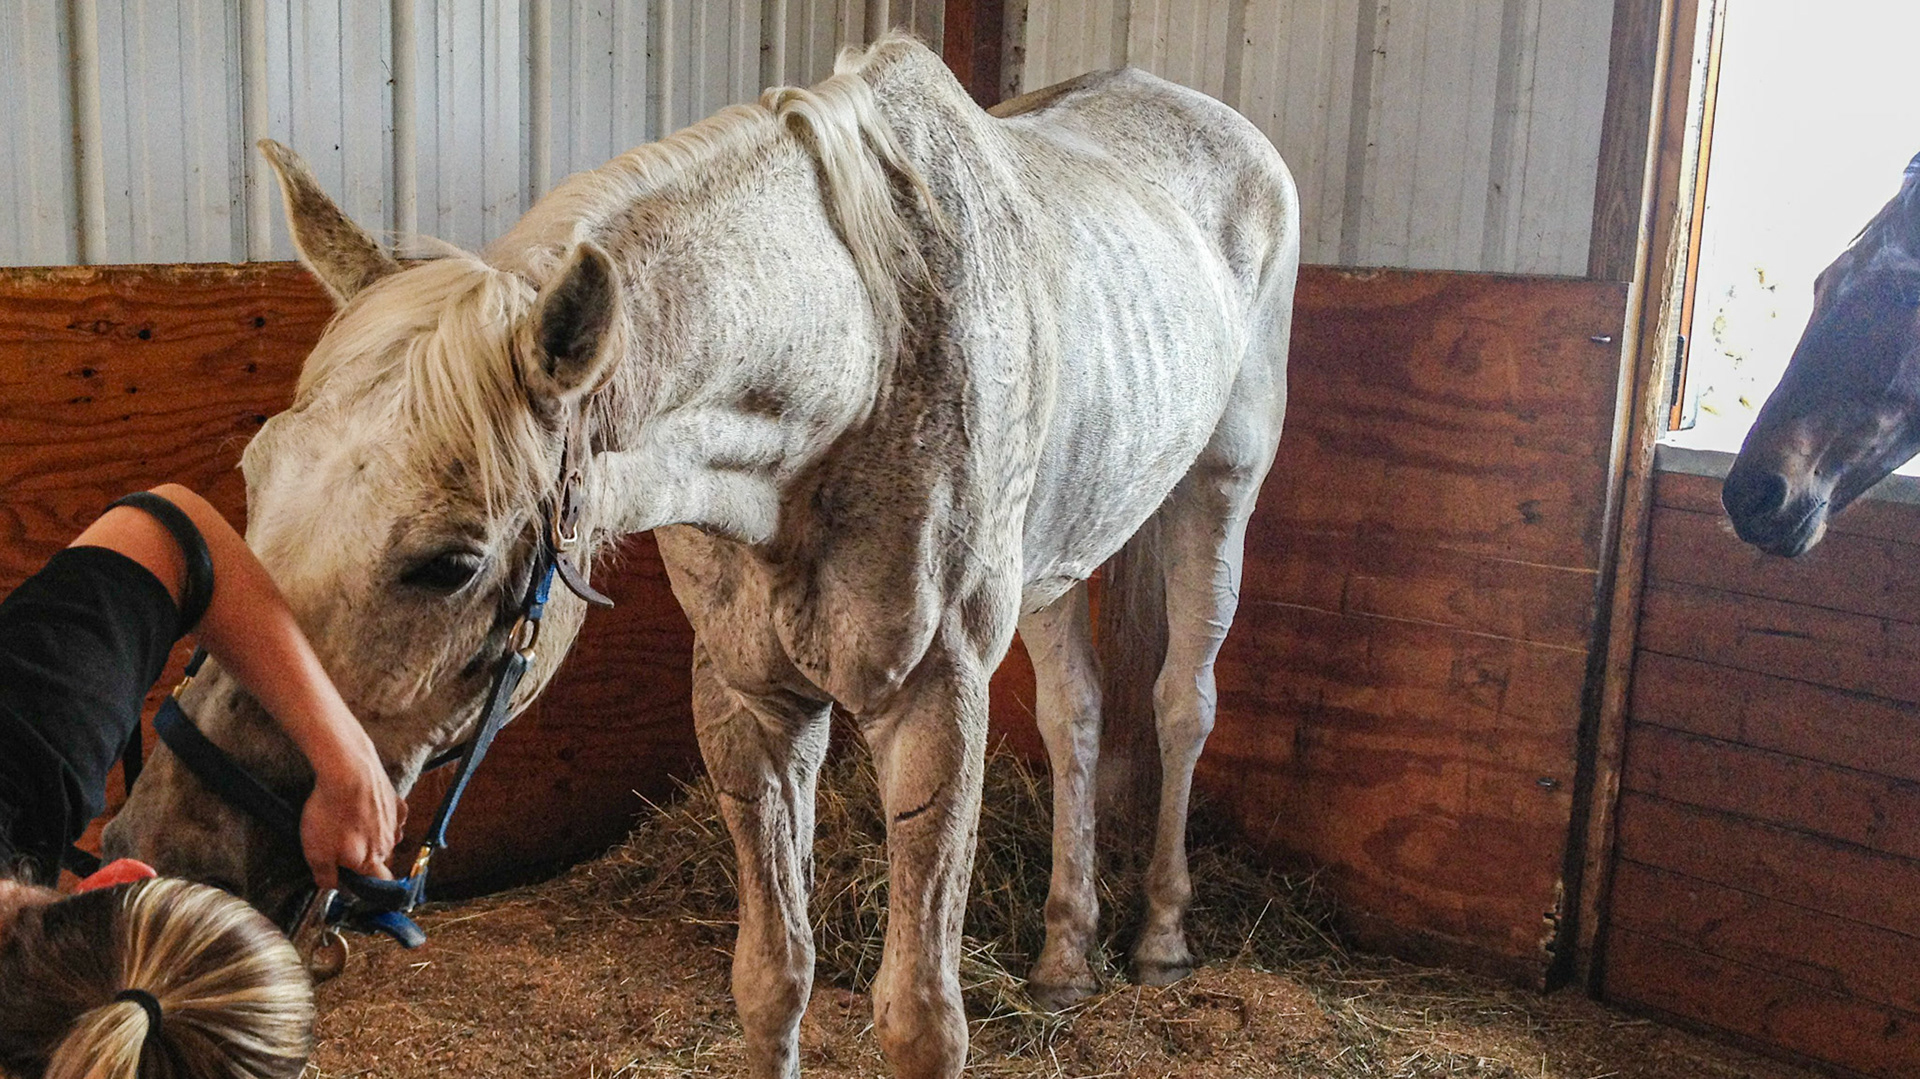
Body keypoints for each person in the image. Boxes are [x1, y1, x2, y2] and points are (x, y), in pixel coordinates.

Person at [0, 485, 405, 1077]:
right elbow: (170, 533)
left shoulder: (33, 748)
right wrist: (349, 760)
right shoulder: (29, 757)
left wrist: (345, 758)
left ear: (123, 877)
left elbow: (169, 533)